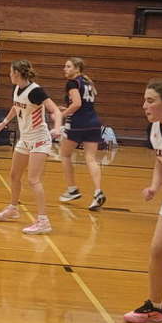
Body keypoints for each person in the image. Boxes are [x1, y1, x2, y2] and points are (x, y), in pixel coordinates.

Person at [0, 60, 62, 235]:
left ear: (17, 73)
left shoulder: (36, 91)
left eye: (10, 72)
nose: (9, 74)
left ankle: (43, 221)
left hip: (39, 139)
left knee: (33, 179)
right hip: (25, 139)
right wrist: (5, 122)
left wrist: (58, 127)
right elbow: (16, 107)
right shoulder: (17, 88)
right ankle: (13, 209)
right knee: (14, 175)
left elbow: (55, 110)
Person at [124, 80, 162, 323]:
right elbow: (160, 159)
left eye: (151, 101)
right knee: (158, 250)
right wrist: (155, 186)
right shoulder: (154, 129)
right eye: (144, 100)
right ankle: (155, 307)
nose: (144, 105)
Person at [58, 56, 106, 211]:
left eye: (68, 66)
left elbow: (77, 104)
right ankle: (98, 192)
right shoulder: (88, 82)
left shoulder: (73, 82)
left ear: (77, 69)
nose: (65, 69)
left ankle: (72, 189)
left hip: (78, 123)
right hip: (93, 122)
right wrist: (66, 109)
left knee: (64, 155)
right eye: (65, 66)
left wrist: (63, 115)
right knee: (91, 158)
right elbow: (84, 103)